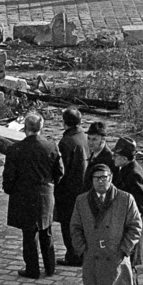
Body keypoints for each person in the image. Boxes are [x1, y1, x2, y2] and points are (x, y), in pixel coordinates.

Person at [69, 158, 143, 285]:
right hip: (93, 258)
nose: (101, 181)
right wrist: (82, 249)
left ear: (111, 178)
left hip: (116, 257)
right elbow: (75, 227)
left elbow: (135, 226)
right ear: (91, 180)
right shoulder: (82, 201)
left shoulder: (125, 199)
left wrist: (124, 249)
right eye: (97, 178)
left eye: (105, 177)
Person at [2, 111, 63, 279]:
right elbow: (59, 172)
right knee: (46, 231)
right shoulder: (51, 147)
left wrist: (9, 190)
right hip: (45, 195)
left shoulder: (16, 149)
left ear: (25, 128)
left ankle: (32, 268)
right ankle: (50, 267)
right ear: (41, 127)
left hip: (24, 196)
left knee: (29, 235)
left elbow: (9, 176)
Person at [111, 137, 143, 285]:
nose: (113, 157)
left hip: (132, 229)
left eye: (116, 155)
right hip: (124, 225)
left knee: (129, 269)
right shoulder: (123, 170)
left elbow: (141, 206)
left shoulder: (134, 174)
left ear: (125, 158)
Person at [55, 108, 88, 268]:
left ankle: (73, 255)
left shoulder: (66, 142)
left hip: (69, 190)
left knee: (68, 224)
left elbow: (62, 169)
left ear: (65, 122)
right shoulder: (84, 137)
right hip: (83, 187)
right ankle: (81, 252)